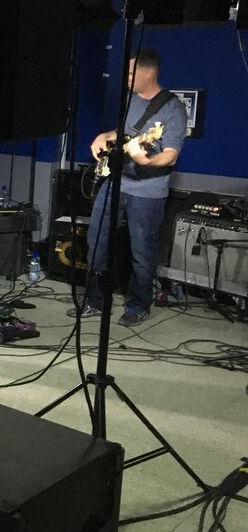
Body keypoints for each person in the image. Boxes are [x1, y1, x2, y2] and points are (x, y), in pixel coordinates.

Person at [70, 48, 186, 327]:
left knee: (142, 251)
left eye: (132, 73)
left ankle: (139, 304)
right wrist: (104, 137)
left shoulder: (173, 109)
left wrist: (145, 158)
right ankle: (95, 301)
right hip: (116, 183)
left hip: (147, 192)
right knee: (96, 242)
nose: (127, 78)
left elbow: (171, 154)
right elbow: (123, 134)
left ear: (150, 72)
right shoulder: (131, 101)